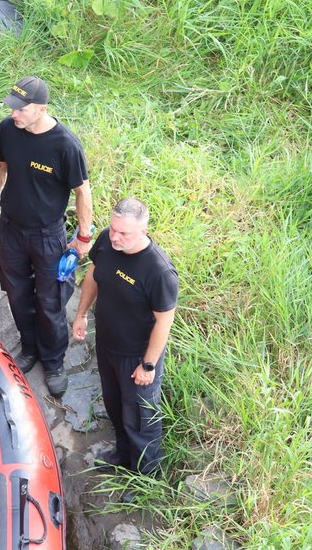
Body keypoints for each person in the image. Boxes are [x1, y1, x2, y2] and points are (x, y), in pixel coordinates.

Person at [0, 76, 93, 397]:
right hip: (11, 228)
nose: (14, 114)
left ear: (41, 109)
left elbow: (82, 192)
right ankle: (29, 347)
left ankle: (54, 361)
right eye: (12, 107)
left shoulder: (65, 145)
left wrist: (83, 236)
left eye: (21, 109)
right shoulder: (7, 130)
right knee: (16, 291)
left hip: (47, 235)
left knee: (50, 299)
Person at [71, 197, 178, 476]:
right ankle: (122, 454)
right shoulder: (107, 239)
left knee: (141, 418)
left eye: (124, 233)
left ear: (143, 231)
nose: (115, 237)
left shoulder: (158, 270)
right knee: (115, 406)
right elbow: (94, 274)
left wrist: (148, 365)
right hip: (107, 345)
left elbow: (164, 322)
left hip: (137, 356)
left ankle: (146, 474)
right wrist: (81, 314)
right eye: (113, 228)